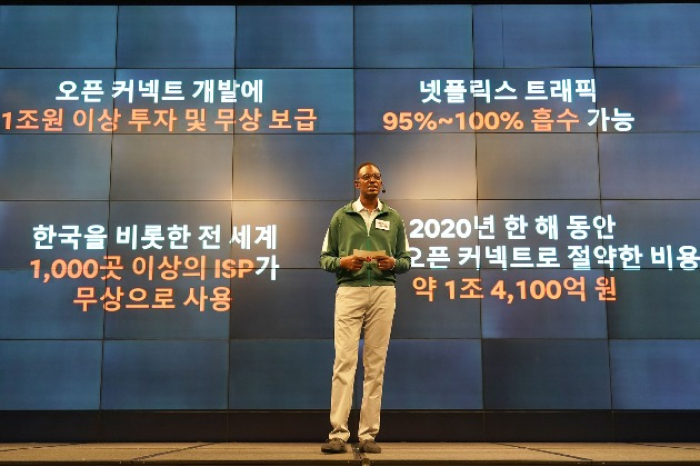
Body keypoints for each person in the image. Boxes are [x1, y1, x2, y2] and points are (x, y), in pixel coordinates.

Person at [319, 162, 411, 454]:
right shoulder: (341, 217)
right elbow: (325, 258)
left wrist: (393, 263)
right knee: (344, 362)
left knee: (375, 366)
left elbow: (406, 259)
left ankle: (368, 435)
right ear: (356, 184)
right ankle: (337, 434)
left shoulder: (394, 217)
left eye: (376, 177)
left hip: (384, 291)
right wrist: (342, 262)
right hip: (349, 291)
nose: (372, 180)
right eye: (365, 177)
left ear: (381, 183)